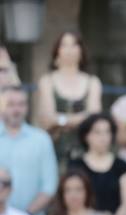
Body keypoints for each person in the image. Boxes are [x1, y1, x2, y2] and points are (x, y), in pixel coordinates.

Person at [33, 30, 102, 164]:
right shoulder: (47, 81)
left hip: (86, 152)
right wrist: (80, 118)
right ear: (57, 51)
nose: (69, 50)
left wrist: (60, 119)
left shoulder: (93, 82)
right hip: (53, 151)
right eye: (64, 45)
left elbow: (94, 118)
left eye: (74, 45)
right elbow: (47, 120)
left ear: (81, 50)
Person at [0, 86, 58, 215]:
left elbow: (49, 186)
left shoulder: (42, 139)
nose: (16, 110)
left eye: (21, 104)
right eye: (11, 104)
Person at [71, 114, 126, 215]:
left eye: (107, 132)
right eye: (97, 132)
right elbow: (72, 201)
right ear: (86, 136)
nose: (103, 137)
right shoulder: (76, 166)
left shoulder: (121, 165)